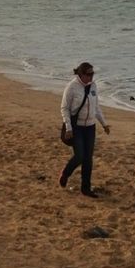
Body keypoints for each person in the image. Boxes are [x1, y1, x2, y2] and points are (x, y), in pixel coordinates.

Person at [58, 61, 110, 198]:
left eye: (92, 74)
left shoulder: (93, 86)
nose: (91, 77)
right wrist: (68, 127)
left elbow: (96, 107)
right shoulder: (72, 87)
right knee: (80, 156)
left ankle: (86, 188)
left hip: (90, 127)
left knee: (88, 159)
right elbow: (64, 108)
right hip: (77, 127)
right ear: (80, 74)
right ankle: (65, 173)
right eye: (88, 74)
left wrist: (104, 124)